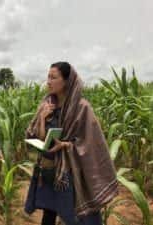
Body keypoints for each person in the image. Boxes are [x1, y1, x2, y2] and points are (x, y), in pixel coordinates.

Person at [25, 62, 118, 225]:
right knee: (49, 212)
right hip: (47, 170)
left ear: (67, 81)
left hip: (67, 171)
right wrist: (42, 118)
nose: (48, 81)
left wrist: (66, 145)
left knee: (72, 215)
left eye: (53, 77)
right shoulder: (46, 105)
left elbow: (90, 143)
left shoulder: (81, 108)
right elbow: (40, 138)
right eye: (48, 77)